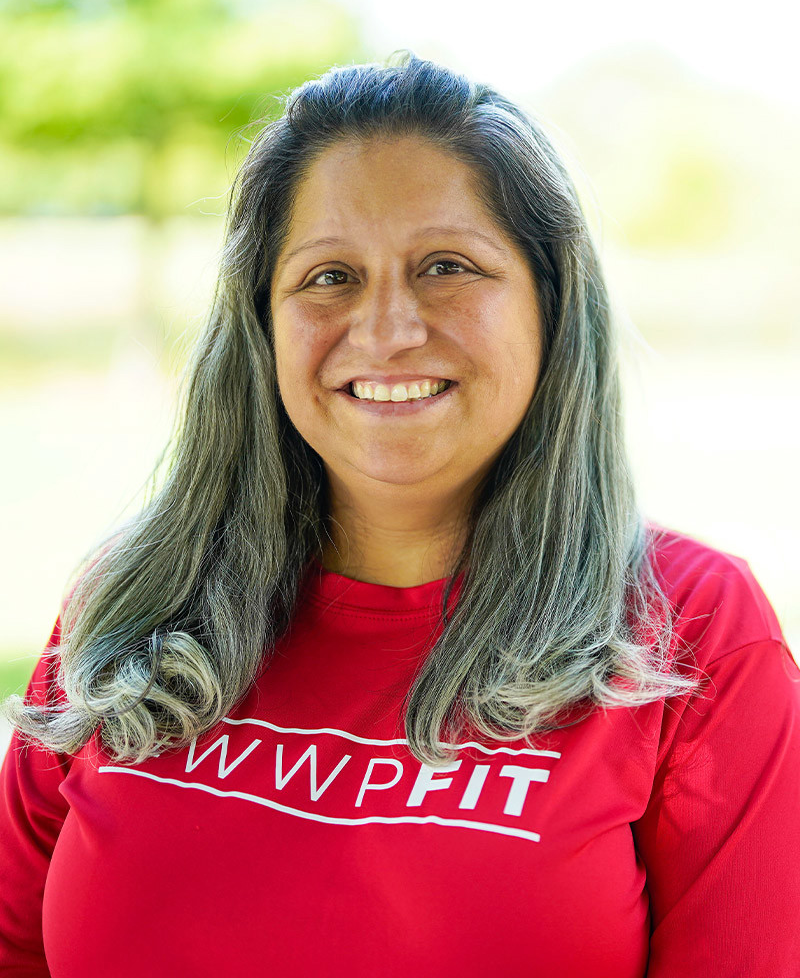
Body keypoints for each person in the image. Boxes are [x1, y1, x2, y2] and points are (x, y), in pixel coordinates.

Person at [1, 53, 798, 978]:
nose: (385, 330)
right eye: (329, 276)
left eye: (447, 266)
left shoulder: (693, 635)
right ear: (261, 322)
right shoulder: (132, 605)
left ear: (553, 302)